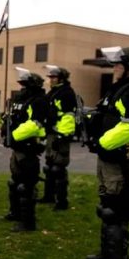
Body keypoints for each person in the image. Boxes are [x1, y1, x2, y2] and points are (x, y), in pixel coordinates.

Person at [84, 46, 129, 259]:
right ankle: (106, 253)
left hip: (119, 158)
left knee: (116, 210)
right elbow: (107, 116)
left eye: (119, 65)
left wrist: (101, 142)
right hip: (107, 156)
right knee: (106, 204)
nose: (115, 69)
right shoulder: (119, 89)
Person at [1, 68, 48, 232]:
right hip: (18, 147)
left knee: (26, 187)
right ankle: (15, 213)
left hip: (28, 147)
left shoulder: (39, 101)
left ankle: (28, 222)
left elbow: (35, 124)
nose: (23, 88)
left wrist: (13, 135)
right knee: (14, 183)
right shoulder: (22, 99)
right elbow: (13, 117)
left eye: (26, 85)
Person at [38, 65, 77, 210]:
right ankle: (48, 196)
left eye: (53, 77)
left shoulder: (66, 93)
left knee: (58, 168)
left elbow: (68, 116)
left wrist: (63, 136)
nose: (50, 80)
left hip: (60, 136)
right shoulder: (52, 93)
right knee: (49, 167)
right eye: (50, 78)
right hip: (50, 134)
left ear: (61, 79)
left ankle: (62, 201)